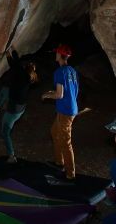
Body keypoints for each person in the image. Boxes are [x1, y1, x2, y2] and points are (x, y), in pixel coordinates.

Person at [0, 47, 38, 163]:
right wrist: (11, 51)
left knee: (5, 132)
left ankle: (12, 156)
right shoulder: (28, 77)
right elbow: (15, 63)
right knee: (5, 90)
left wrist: (10, 51)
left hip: (14, 110)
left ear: (25, 68)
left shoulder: (22, 74)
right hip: (20, 107)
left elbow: (15, 62)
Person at [42, 44, 79, 180]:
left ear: (60, 55)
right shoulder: (72, 70)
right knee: (54, 132)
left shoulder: (59, 72)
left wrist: (48, 96)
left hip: (65, 111)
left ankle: (70, 174)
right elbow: (72, 91)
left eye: (56, 53)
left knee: (66, 142)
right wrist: (52, 93)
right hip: (70, 108)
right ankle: (59, 162)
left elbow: (59, 95)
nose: (55, 54)